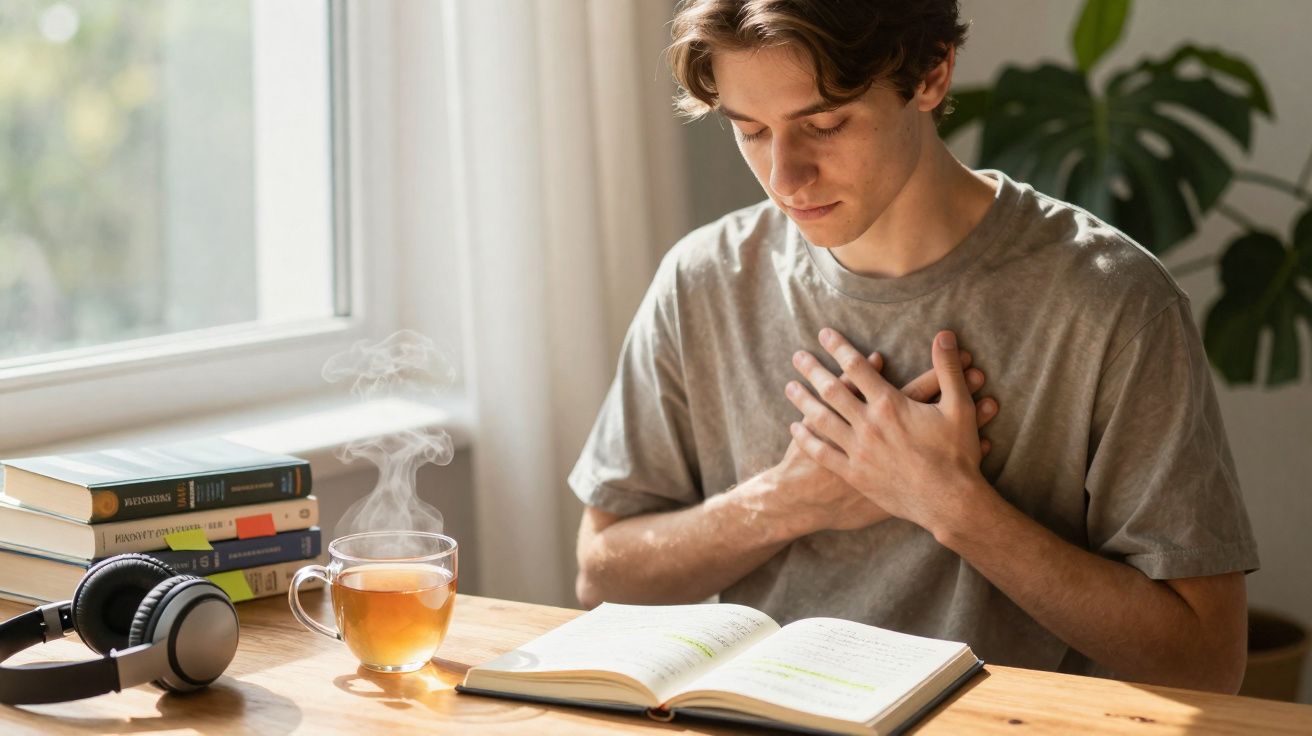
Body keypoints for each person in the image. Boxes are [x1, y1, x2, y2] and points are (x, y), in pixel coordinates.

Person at [568, 0, 1258, 693]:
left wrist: (951, 504)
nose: (785, 177)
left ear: (931, 74)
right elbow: (601, 575)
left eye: (825, 124)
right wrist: (789, 502)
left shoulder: (1113, 303)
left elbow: (1206, 661)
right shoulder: (704, 279)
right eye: (750, 130)